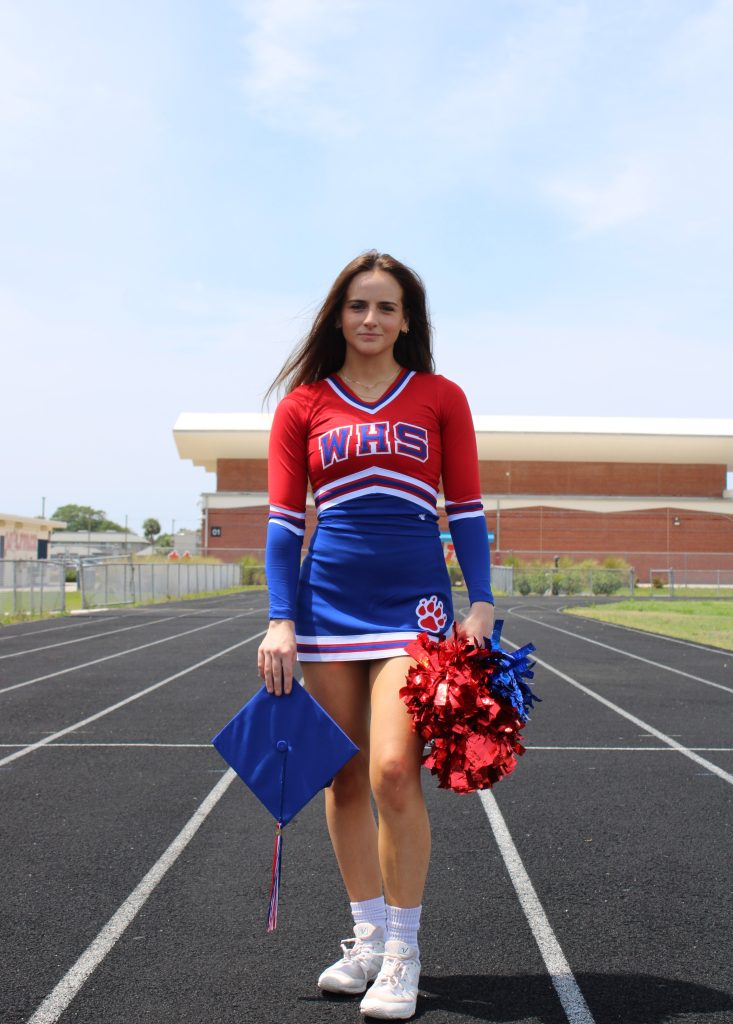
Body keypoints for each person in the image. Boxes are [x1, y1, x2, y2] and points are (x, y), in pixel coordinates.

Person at [257, 250, 494, 1020]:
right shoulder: (302, 407)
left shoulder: (439, 397)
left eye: (385, 307)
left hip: (413, 610)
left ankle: (404, 950)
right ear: (338, 315)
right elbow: (284, 525)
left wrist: (481, 600)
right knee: (343, 776)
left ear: (406, 320)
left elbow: (464, 510)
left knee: (395, 769)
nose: (370, 319)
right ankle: (365, 936)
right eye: (357, 305)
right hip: (326, 610)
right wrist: (280, 618)